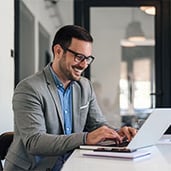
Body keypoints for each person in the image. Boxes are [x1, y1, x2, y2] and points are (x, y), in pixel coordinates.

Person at [4, 25, 136, 171]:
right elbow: (35, 142)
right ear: (58, 51)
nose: (84, 64)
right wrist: (85, 138)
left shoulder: (85, 86)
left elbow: (97, 125)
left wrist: (117, 133)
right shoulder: (29, 88)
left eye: (88, 58)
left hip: (72, 164)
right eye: (79, 57)